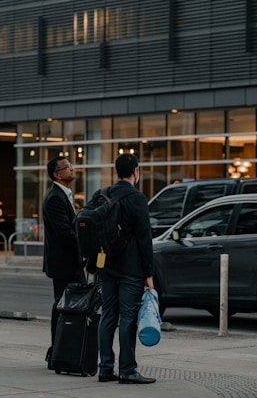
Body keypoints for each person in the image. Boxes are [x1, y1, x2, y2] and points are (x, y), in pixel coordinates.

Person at [96, 153, 156, 385]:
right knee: (128, 317)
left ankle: (105, 368)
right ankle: (128, 370)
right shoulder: (137, 198)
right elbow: (144, 238)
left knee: (108, 315)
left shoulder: (102, 195)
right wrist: (148, 273)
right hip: (130, 268)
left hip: (106, 265)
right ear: (135, 171)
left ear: (116, 171)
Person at [42, 156, 85, 368]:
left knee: (66, 307)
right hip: (63, 264)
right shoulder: (55, 198)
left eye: (71, 165)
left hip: (70, 263)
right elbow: (65, 233)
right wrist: (84, 246)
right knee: (61, 307)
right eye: (67, 167)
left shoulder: (64, 195)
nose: (72, 169)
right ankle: (56, 352)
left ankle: (62, 350)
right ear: (57, 174)